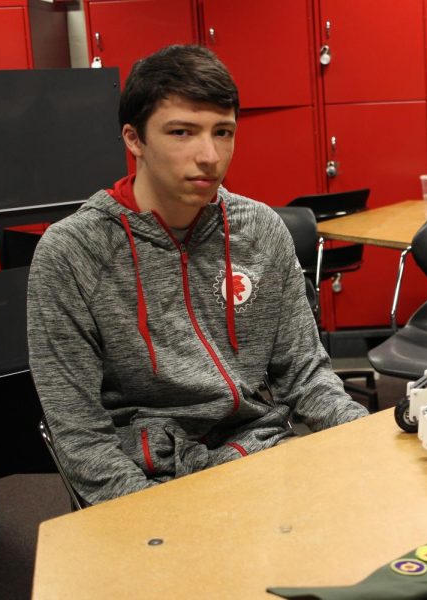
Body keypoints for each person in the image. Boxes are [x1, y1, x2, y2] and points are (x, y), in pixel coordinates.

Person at [27, 45, 368, 505]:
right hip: (148, 477)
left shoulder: (261, 229)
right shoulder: (72, 252)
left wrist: (368, 440)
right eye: (182, 132)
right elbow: (80, 434)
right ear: (134, 139)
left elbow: (305, 374)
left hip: (259, 453)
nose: (209, 155)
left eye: (223, 132)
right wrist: (155, 518)